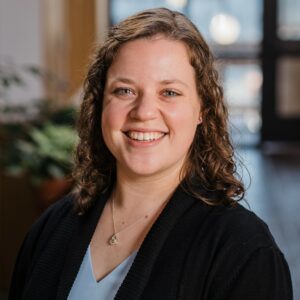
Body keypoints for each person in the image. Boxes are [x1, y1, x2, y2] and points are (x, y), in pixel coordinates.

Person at [9, 7, 292, 300]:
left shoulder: (244, 251)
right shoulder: (52, 227)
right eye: (124, 91)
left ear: (202, 110)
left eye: (169, 92)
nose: (143, 112)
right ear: (100, 104)